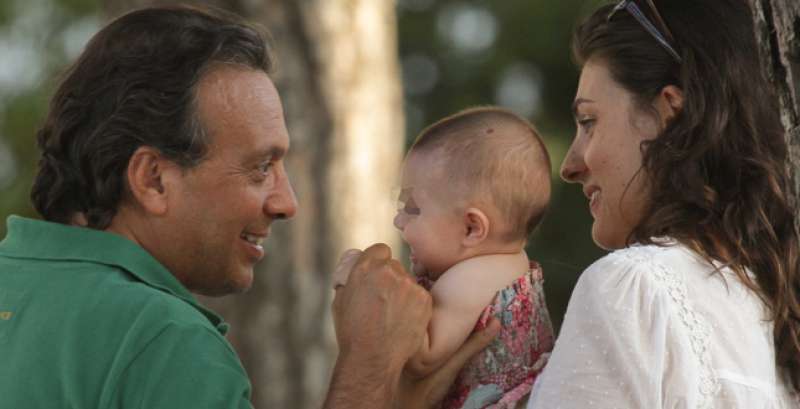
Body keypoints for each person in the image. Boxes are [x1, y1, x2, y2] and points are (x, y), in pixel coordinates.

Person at [0, 5, 495, 409]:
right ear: (153, 179)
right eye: (261, 168)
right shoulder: (162, 339)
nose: (287, 203)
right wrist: (369, 371)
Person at [523, 0, 800, 407]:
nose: (569, 165)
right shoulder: (778, 308)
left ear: (668, 110)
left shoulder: (635, 288)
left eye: (588, 122)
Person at [336, 107, 555, 409]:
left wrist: (364, 291)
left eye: (411, 208)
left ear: (471, 228)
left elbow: (422, 359)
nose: (399, 221)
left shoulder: (470, 279)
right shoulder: (510, 262)